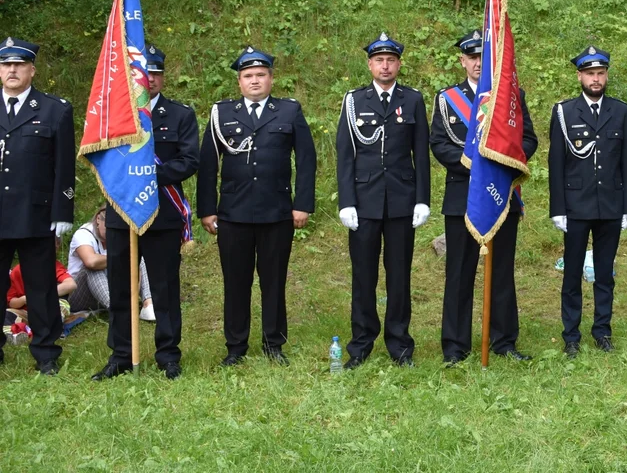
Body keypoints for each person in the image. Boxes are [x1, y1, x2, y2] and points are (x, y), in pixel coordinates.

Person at [198, 46, 316, 368]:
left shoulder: (289, 112)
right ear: (239, 81)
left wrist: (302, 204)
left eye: (260, 75)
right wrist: (207, 209)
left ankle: (273, 344)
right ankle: (235, 346)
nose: (254, 81)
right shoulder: (221, 114)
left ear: (271, 79)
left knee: (273, 281)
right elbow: (208, 163)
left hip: (276, 212)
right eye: (248, 76)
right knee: (235, 282)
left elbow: (306, 160)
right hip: (233, 215)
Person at [430, 30, 538, 366]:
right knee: (459, 273)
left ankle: (503, 342)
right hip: (463, 197)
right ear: (462, 60)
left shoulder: (510, 96)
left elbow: (529, 140)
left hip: (501, 196)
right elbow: (439, 144)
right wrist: (478, 166)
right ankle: (455, 346)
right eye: (472, 57)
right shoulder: (447, 99)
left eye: (483, 57)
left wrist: (500, 167)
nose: (478, 63)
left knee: (502, 271)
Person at [93, 45, 200, 380]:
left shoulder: (180, 115)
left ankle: (168, 355)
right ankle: (122, 355)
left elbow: (189, 160)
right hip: (122, 213)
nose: (149, 79)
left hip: (162, 213)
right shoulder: (114, 116)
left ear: (162, 77)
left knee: (165, 288)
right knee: (122, 287)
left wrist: (147, 175)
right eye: (144, 73)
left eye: (155, 73)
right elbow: (101, 159)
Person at [336, 33, 431, 368]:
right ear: (370, 65)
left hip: (402, 202)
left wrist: (423, 199)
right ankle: (360, 345)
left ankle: (400, 345)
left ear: (399, 64)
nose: (385, 65)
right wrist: (346, 201)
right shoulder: (353, 101)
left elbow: (421, 153)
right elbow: (345, 155)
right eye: (379, 60)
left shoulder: (414, 100)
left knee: (399, 276)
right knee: (363, 277)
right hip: (363, 202)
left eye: (391, 60)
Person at [548, 46, 627, 358]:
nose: (595, 79)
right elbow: (555, 163)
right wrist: (557, 208)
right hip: (575, 206)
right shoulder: (564, 112)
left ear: (606, 75)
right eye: (590, 74)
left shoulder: (621, 111)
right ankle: (571, 334)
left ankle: (602, 330)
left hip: (610, 204)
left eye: (600, 73)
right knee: (572, 274)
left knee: (604, 273)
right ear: (579, 76)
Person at [0, 37, 75, 375]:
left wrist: (62, 211)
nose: (11, 70)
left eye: (18, 65)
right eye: (6, 65)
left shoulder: (54, 109)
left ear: (32, 70)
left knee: (41, 286)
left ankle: (46, 353)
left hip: (36, 213)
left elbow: (64, 167)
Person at [66, 205, 152, 315]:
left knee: (138, 256)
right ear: (98, 219)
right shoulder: (83, 234)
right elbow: (90, 261)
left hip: (109, 287)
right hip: (78, 294)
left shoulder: (119, 235)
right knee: (92, 267)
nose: (112, 232)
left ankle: (148, 304)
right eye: (108, 227)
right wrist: (122, 258)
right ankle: (118, 310)